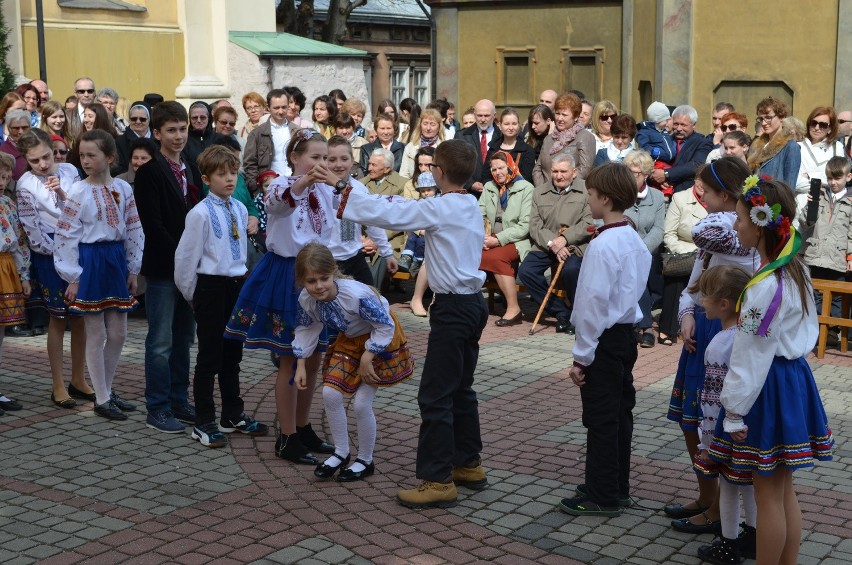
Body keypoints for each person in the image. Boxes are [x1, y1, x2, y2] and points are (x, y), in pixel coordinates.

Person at [336, 139, 489, 508]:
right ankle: (467, 463)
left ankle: (437, 480)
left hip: (454, 309)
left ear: (437, 171)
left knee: (435, 394)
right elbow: (399, 209)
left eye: (432, 166)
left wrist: (343, 189)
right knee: (460, 388)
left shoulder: (442, 207)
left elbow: (395, 213)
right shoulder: (468, 201)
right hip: (472, 305)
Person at [713, 176, 833, 564]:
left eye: (741, 219)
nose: (736, 225)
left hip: (767, 386)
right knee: (783, 492)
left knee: (767, 495)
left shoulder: (764, 288)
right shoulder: (794, 270)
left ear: (762, 223)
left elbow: (750, 356)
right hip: (792, 379)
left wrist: (733, 410)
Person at [224, 129, 336, 464]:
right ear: (294, 158)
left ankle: (302, 426)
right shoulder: (279, 184)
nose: (321, 164)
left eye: (324, 158)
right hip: (287, 275)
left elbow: (337, 228)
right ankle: (286, 436)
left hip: (317, 276)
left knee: (314, 358)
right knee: (291, 357)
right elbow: (278, 204)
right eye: (314, 158)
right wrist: (302, 183)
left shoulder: (327, 191)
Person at [666, 157, 758, 535]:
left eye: (705, 188)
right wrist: (686, 312)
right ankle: (706, 495)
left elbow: (704, 233)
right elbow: (695, 276)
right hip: (702, 326)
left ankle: (722, 511)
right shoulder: (726, 224)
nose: (698, 193)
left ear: (726, 192)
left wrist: (733, 213)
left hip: (729, 330)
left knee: (713, 421)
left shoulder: (738, 231)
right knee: (690, 420)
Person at [561, 162, 651, 516]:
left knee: (600, 418)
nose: (589, 199)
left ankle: (601, 494)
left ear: (606, 198)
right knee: (619, 413)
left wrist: (581, 356)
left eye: (592, 194)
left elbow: (591, 306)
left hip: (604, 340)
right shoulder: (632, 238)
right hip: (624, 336)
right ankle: (615, 483)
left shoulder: (602, 246)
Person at [293, 242, 414, 481]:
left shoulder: (356, 295)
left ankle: (365, 460)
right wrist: (300, 365)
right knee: (330, 394)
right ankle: (341, 452)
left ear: (334, 272)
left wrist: (369, 356)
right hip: (349, 342)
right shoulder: (307, 299)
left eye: (324, 278)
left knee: (360, 404)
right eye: (310, 281)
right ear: (302, 281)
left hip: (380, 340)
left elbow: (384, 325)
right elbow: (307, 328)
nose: (318, 286)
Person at [174, 145, 268, 447]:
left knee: (233, 355)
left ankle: (232, 414)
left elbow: (239, 253)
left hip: (235, 287)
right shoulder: (199, 214)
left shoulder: (240, 209)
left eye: (233, 173)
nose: (229, 179)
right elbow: (185, 260)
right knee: (209, 357)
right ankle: (203, 420)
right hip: (210, 288)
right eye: (221, 174)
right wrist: (195, 297)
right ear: (205, 178)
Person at [53, 130, 143, 420]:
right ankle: (101, 398)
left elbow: (133, 228)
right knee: (96, 332)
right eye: (82, 155)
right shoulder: (78, 191)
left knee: (119, 332)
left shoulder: (123, 189)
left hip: (115, 259)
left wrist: (133, 267)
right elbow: (66, 235)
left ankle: (106, 388)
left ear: (110, 157)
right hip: (90, 259)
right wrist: (74, 277)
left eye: (92, 154)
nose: (86, 160)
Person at [134, 101, 202, 433]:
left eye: (183, 129)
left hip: (190, 268)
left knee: (184, 336)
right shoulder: (149, 171)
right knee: (160, 340)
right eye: (171, 130)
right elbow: (153, 225)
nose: (178, 136)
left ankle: (178, 398)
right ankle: (157, 406)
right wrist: (182, 257)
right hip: (164, 267)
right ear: (157, 133)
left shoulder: (192, 166)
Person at [15, 129, 93, 407]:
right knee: (58, 318)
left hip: (78, 248)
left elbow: (82, 208)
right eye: (35, 160)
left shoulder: (71, 171)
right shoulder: (26, 185)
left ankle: (79, 378)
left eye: (46, 156)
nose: (44, 164)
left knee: (82, 316)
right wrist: (62, 251)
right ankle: (58, 385)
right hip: (49, 255)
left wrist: (77, 245)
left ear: (53, 148)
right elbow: (32, 230)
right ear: (27, 159)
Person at [688, 265, 757, 564]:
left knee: (728, 486)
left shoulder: (720, 343)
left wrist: (708, 434)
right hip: (749, 424)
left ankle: (728, 543)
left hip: (724, 428)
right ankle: (753, 536)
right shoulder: (748, 334)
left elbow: (714, 395)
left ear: (724, 304)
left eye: (707, 296)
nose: (702, 301)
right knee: (751, 483)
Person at [519, 154, 593, 334]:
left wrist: (565, 240)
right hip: (547, 243)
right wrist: (553, 243)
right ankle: (561, 312)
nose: (558, 176)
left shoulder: (587, 191)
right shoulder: (540, 192)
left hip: (575, 245)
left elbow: (589, 223)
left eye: (563, 171)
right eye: (555, 171)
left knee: (571, 271)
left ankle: (578, 315)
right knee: (526, 272)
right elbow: (535, 226)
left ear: (574, 172)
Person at [325, 136, 396, 287]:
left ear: (352, 161)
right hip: (327, 260)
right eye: (332, 159)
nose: (339, 164)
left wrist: (387, 252)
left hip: (354, 257)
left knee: (370, 297)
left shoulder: (359, 189)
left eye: (344, 159)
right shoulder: (320, 189)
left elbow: (372, 221)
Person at [797, 156, 852, 346]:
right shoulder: (819, 196)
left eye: (837, 178)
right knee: (816, 294)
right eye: (830, 178)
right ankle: (818, 329)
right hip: (816, 254)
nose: (833, 183)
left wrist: (850, 254)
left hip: (838, 257)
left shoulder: (850, 201)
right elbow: (806, 223)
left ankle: (831, 332)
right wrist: (809, 206)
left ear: (848, 177)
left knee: (837, 298)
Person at [479, 151, 534, 326]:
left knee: (495, 257)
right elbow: (479, 214)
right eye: (493, 169)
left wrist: (498, 239)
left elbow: (525, 226)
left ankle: (513, 308)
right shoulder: (489, 186)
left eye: (501, 167)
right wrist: (482, 236)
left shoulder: (526, 188)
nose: (497, 172)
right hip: (489, 237)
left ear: (511, 166)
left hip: (517, 239)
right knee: (468, 253)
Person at [658, 168, 708, 346]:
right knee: (677, 276)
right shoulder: (680, 198)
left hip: (708, 254)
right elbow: (669, 234)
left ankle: (695, 327)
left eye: (707, 181)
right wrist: (690, 252)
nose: (702, 185)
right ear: (695, 179)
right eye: (699, 179)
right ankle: (667, 328)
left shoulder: (717, 201)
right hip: (683, 251)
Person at [623, 151, 666, 348]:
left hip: (647, 250)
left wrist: (641, 249)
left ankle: (641, 325)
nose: (631, 177)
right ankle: (646, 326)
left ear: (647, 174)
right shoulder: (618, 193)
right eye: (628, 172)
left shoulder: (656, 197)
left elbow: (659, 229)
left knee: (639, 267)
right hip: (621, 249)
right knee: (632, 268)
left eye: (636, 173)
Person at [0, 158, 31, 416]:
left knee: (1, 332)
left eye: (5, 177)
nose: (1, 183)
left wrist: (24, 275)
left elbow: (20, 242)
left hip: (6, 268)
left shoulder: (8, 204)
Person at [243, 89, 300, 195]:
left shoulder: (297, 131)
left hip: (295, 185)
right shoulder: (257, 134)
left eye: (284, 107)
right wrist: (256, 189)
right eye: (276, 108)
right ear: (268, 108)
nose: (281, 111)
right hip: (270, 189)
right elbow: (249, 164)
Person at [532, 93, 595, 185]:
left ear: (576, 117)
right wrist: (543, 190)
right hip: (545, 194)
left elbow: (584, 169)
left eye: (564, 115)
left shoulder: (585, 137)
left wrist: (563, 188)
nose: (560, 118)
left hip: (571, 194)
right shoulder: (549, 139)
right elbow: (537, 169)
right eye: (557, 113)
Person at [648, 105, 714, 193]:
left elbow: (696, 165)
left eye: (683, 125)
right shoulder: (664, 140)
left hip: (686, 193)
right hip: (659, 192)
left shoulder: (703, 142)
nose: (679, 129)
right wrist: (655, 177)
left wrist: (666, 174)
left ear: (693, 125)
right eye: (676, 124)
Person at [746, 96, 801, 187]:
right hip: (755, 198)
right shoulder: (756, 145)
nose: (764, 123)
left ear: (781, 117)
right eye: (761, 119)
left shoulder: (791, 147)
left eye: (768, 117)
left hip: (776, 199)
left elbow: (789, 186)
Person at [796, 106, 844, 210]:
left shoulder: (837, 148)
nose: (817, 128)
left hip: (827, 207)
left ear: (830, 129)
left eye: (823, 125)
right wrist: (825, 180)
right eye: (814, 123)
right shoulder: (797, 147)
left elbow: (839, 179)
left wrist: (809, 175)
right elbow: (795, 182)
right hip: (800, 205)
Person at [453, 99, 501, 195]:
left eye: (487, 116)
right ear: (475, 115)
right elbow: (455, 164)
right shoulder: (462, 136)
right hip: (469, 194)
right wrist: (470, 183)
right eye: (479, 116)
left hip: (497, 191)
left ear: (494, 115)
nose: (483, 119)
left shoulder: (502, 136)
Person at [399, 171, 439, 275]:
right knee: (411, 238)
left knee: (421, 243)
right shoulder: (420, 202)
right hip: (419, 229)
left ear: (435, 188)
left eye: (429, 190)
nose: (426, 193)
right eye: (423, 190)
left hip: (430, 231)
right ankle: (406, 257)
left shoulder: (439, 202)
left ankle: (417, 261)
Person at [485, 108, 535, 181]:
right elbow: (486, 176)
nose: (511, 128)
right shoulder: (493, 148)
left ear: (518, 125)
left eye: (514, 124)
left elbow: (527, 178)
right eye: (506, 124)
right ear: (500, 125)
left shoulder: (527, 150)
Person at [400, 109, 445, 179]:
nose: (428, 128)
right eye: (425, 123)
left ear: (439, 126)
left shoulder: (444, 148)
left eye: (432, 124)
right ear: (420, 125)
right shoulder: (410, 147)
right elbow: (403, 175)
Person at [116, 102, 153, 174]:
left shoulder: (159, 139)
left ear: (149, 119)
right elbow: (118, 168)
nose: (138, 122)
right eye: (134, 119)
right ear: (129, 120)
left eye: (142, 119)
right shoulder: (119, 142)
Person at [332, 112, 368, 178]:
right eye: (341, 128)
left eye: (347, 127)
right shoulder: (329, 145)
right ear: (335, 129)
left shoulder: (364, 144)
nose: (344, 131)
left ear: (353, 127)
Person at [1, 109, 32, 180]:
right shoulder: (2, 153)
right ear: (8, 129)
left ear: (30, 127)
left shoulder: (38, 147)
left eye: (24, 128)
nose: (20, 132)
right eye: (16, 128)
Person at [183, 101, 214, 168]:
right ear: (190, 119)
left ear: (208, 118)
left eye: (203, 117)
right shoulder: (183, 139)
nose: (199, 120)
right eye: (195, 118)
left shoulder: (219, 139)